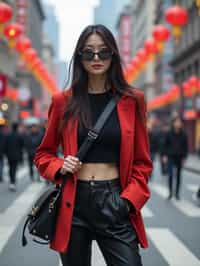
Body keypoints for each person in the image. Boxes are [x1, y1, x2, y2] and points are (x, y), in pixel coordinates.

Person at [34, 24, 152, 266]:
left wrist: (127, 202)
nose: (96, 58)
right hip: (73, 201)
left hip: (115, 199)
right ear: (79, 57)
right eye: (89, 52)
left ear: (114, 55)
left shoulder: (133, 100)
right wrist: (60, 164)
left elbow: (142, 162)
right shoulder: (62, 102)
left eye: (103, 52)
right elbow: (43, 155)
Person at [162, 116, 188, 200]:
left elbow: (186, 147)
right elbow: (165, 145)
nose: (178, 123)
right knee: (170, 174)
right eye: (176, 122)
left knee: (179, 175)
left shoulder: (184, 134)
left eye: (179, 122)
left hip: (179, 157)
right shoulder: (169, 133)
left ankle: (177, 193)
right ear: (173, 123)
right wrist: (164, 155)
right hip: (170, 156)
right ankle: (170, 193)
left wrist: (184, 157)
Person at [4, 123, 24, 191]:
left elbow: (5, 145)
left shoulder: (8, 136)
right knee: (14, 168)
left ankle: (11, 182)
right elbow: (22, 146)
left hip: (9, 155)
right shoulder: (19, 136)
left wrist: (5, 153)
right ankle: (13, 182)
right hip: (16, 155)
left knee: (10, 168)